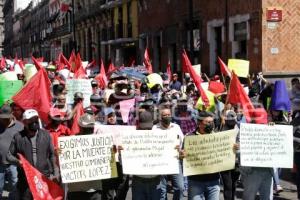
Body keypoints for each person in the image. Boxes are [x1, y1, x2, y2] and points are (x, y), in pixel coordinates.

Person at [7, 109, 59, 200]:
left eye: (35, 119)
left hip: (43, 179)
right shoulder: (18, 137)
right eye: (30, 120)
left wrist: (55, 174)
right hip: (26, 181)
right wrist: (18, 162)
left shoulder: (46, 135)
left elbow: (52, 155)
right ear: (24, 122)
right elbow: (8, 156)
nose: (34, 122)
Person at [184, 111, 221, 200]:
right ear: (199, 123)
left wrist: (233, 148)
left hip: (214, 181)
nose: (211, 124)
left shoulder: (219, 137)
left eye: (212, 122)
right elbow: (183, 157)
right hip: (196, 181)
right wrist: (182, 155)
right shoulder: (190, 138)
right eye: (208, 122)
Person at [67, 113, 102, 200]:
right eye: (87, 128)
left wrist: (113, 153)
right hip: (76, 189)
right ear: (80, 128)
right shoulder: (71, 142)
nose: (90, 130)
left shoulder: (101, 142)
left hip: (94, 189)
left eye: (91, 128)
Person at [152, 107, 184, 200]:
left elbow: (182, 141)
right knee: (162, 190)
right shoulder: (155, 128)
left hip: (174, 160)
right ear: (160, 117)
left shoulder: (176, 127)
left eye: (168, 115)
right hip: (161, 161)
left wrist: (180, 148)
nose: (167, 116)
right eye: (164, 115)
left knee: (180, 187)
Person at [130, 110, 162, 200]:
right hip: (138, 181)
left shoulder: (160, 138)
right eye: (144, 128)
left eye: (148, 128)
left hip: (156, 182)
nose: (146, 130)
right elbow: (125, 163)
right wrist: (121, 153)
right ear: (139, 125)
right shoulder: (131, 139)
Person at [101, 108, 129, 200]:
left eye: (113, 116)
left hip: (121, 161)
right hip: (110, 161)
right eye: (109, 116)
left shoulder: (122, 129)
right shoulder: (102, 129)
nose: (111, 118)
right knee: (109, 186)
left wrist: (123, 147)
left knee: (122, 184)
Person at [0, 105, 23, 200]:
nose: (4, 121)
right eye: (2, 118)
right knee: (0, 187)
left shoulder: (20, 126)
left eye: (6, 118)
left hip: (14, 164)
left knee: (14, 186)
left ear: (12, 114)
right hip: (0, 164)